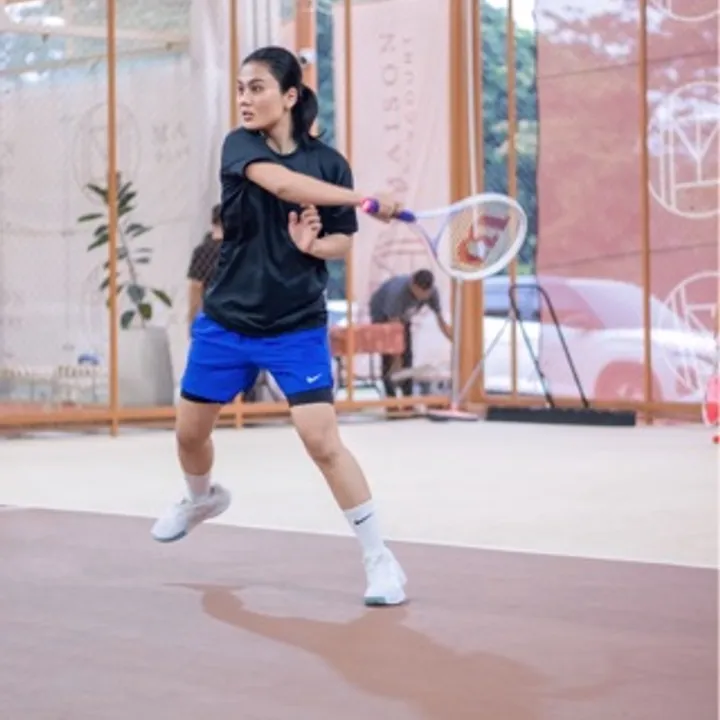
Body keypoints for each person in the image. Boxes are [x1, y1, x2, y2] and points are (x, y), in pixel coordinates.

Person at [151, 46, 407, 606]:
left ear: (289, 96)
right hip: (228, 320)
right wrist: (367, 199)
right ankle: (201, 497)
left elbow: (341, 242)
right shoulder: (239, 146)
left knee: (322, 441)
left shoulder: (330, 163)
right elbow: (286, 186)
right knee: (189, 435)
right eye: (241, 88)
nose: (245, 98)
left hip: (295, 325)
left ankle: (380, 560)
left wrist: (315, 245)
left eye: (258, 88)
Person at [369, 270, 452, 398]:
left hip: (403, 318)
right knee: (389, 356)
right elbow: (394, 329)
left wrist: (454, 340)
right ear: (413, 285)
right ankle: (391, 399)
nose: (422, 297)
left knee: (407, 355)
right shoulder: (397, 293)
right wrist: (397, 360)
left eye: (426, 294)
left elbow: (441, 321)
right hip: (383, 314)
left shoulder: (432, 293)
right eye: (420, 293)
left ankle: (408, 397)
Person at [186, 203, 223, 330]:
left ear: (213, 223)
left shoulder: (202, 251)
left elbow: (196, 287)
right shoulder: (241, 250)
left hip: (211, 316)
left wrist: (192, 320)